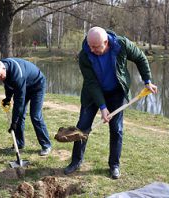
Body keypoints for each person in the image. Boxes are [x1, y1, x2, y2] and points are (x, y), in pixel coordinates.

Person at [63, 27, 158, 179]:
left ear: (106, 42)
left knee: (117, 129)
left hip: (116, 92)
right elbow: (91, 82)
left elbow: (140, 57)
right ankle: (76, 161)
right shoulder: (85, 55)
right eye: (90, 46)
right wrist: (102, 107)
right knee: (82, 127)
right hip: (92, 94)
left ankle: (114, 165)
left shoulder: (122, 45)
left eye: (96, 47)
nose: (92, 50)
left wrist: (147, 80)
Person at [0, 58, 52, 156]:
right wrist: (8, 98)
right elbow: (8, 85)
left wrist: (14, 122)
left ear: (4, 69)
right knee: (20, 115)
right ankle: (19, 143)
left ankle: (46, 145)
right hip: (24, 86)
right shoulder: (0, 67)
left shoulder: (17, 74)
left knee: (35, 115)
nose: (0, 79)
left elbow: (19, 102)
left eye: (0, 77)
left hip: (37, 85)